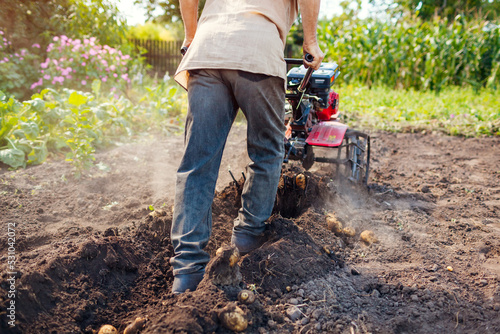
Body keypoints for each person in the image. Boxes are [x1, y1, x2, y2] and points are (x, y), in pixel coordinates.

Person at [170, 0, 325, 294]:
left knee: (197, 164)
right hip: (257, 51)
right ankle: (247, 235)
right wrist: (311, 42)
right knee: (266, 152)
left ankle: (187, 271)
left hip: (207, 51)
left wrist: (190, 36)